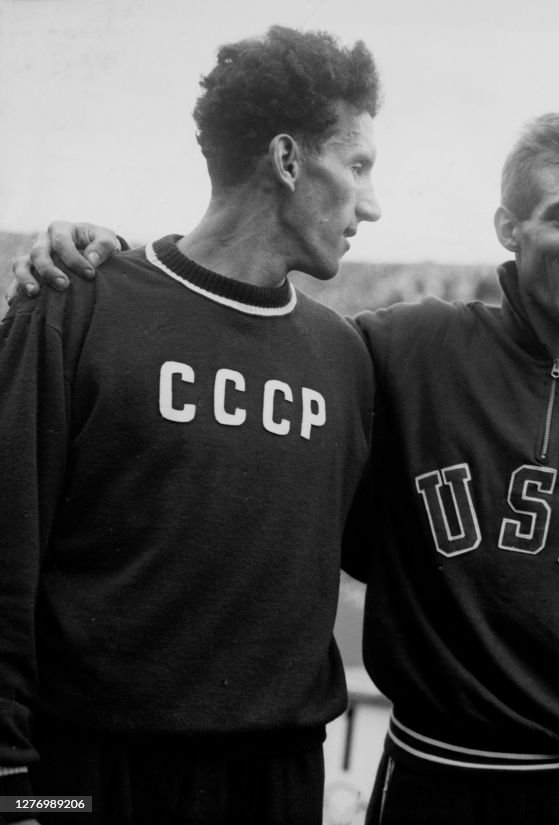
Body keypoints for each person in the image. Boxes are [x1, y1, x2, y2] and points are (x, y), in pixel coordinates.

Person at [9, 114, 559, 824]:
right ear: (508, 226)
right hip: (437, 770)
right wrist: (108, 261)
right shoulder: (404, 345)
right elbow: (242, 328)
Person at [0, 25, 381, 825]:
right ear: (287, 160)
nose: (371, 203)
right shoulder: (75, 304)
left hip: (276, 783)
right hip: (91, 782)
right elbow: (4, 558)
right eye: (358, 165)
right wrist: (13, 790)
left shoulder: (342, 354)